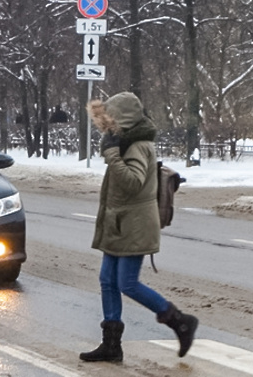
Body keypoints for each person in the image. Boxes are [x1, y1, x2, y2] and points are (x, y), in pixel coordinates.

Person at [80, 91, 199, 363]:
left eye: (110, 121)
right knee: (107, 281)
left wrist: (111, 155)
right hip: (119, 224)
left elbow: (132, 182)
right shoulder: (125, 143)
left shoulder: (138, 146)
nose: (106, 128)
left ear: (123, 119)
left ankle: (180, 321)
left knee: (127, 283)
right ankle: (111, 344)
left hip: (134, 225)